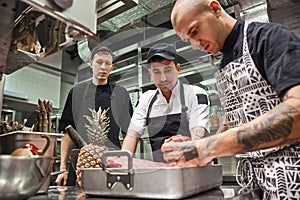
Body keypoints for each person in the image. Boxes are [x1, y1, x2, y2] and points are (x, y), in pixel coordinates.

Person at [161, 0, 300, 199]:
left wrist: (207, 148)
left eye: (194, 31)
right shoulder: (224, 64)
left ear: (215, 9)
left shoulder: (268, 38)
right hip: (252, 181)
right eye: (187, 40)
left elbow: (297, 112)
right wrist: (196, 145)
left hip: (290, 176)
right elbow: (237, 118)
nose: (195, 45)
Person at [55, 45, 133, 186]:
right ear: (91, 64)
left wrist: (124, 161)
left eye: (107, 63)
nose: (103, 67)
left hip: (112, 161)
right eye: (99, 62)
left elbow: (129, 133)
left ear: (112, 67)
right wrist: (62, 169)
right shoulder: (76, 93)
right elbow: (67, 132)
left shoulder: (121, 93)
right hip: (81, 162)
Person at [122, 43, 210, 162]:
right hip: (160, 173)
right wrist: (123, 162)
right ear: (150, 74)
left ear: (178, 69)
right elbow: (132, 135)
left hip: (190, 168)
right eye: (157, 72)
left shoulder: (195, 94)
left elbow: (198, 132)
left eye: (168, 70)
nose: (163, 78)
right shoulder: (145, 99)